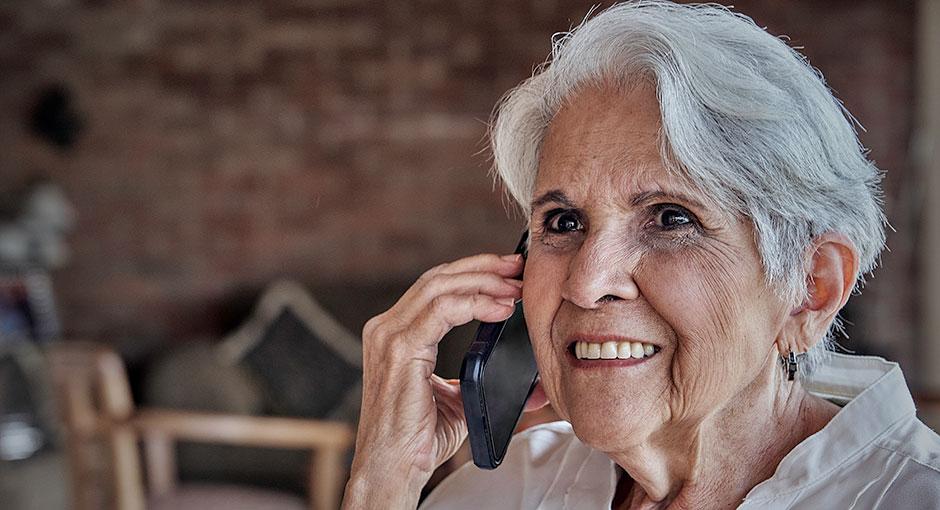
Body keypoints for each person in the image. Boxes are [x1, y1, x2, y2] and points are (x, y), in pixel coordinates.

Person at [341, 2, 940, 508]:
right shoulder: (513, 489)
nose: (587, 281)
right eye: (564, 222)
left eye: (671, 219)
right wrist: (382, 481)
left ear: (811, 288)